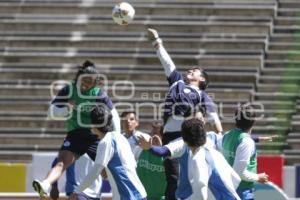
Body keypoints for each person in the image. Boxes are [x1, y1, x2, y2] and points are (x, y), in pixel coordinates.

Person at [147, 28, 223, 200]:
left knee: (185, 178)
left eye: (195, 70)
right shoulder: (177, 81)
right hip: (168, 135)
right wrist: (156, 41)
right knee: (172, 177)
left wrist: (219, 134)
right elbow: (167, 62)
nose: (190, 70)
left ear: (202, 79)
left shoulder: (202, 95)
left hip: (186, 137)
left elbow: (212, 115)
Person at [32, 60, 120, 198]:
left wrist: (116, 137)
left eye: (89, 82)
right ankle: (45, 184)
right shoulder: (69, 90)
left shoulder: (99, 93)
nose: (85, 84)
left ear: (95, 82)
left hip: (95, 136)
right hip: (76, 134)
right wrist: (66, 108)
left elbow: (113, 115)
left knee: (110, 170)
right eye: (83, 80)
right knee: (62, 161)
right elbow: (51, 111)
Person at [69, 105, 147, 200]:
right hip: (140, 194)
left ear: (93, 125)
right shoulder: (121, 137)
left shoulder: (105, 142)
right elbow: (131, 166)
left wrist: (77, 191)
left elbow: (96, 171)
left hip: (127, 195)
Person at [222, 104, 269, 200]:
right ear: (254, 121)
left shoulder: (227, 135)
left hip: (227, 189)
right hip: (242, 191)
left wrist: (257, 139)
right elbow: (239, 173)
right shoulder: (247, 142)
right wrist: (258, 177)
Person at [136, 122, 166, 200]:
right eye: (151, 133)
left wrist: (160, 148)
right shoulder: (142, 150)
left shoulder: (168, 155)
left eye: (155, 134)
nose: (152, 137)